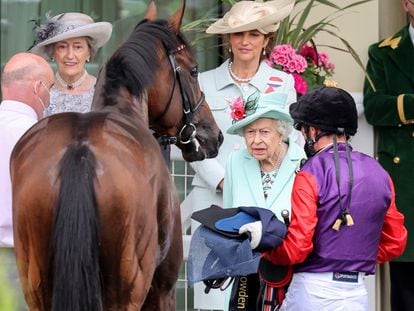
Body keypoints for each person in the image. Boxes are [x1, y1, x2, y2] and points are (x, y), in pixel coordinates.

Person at [182, 1, 296, 308]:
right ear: (228, 40)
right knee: (214, 296)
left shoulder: (282, 83)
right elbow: (193, 142)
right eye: (238, 34)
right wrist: (225, 181)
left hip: (263, 206)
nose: (245, 41)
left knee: (260, 294)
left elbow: (292, 142)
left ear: (267, 39)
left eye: (254, 34)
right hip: (213, 200)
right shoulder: (203, 83)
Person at [260, 86, 407, 310]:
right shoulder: (380, 173)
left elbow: (298, 247)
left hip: (311, 290)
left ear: (313, 130)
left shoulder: (309, 173)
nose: (302, 134)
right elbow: (395, 243)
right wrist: (354, 254)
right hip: (357, 293)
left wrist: (266, 251)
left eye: (303, 129)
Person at [222, 90, 306, 309]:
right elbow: (229, 212)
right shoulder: (235, 161)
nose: (256, 140)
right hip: (245, 272)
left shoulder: (303, 161)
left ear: (281, 132)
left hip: (288, 270)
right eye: (250, 132)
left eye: (264, 132)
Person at [363, 1, 414, 309]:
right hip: (405, 178)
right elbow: (374, 107)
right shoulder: (383, 52)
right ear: (407, 4)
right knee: (406, 284)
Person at [0, 52, 54, 310]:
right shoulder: (42, 137)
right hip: (26, 261)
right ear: (38, 87)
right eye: (51, 88)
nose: (50, 97)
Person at [29, 12, 112, 115]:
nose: (70, 55)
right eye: (62, 47)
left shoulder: (104, 92)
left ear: (89, 53)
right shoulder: (40, 92)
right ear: (53, 53)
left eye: (78, 47)